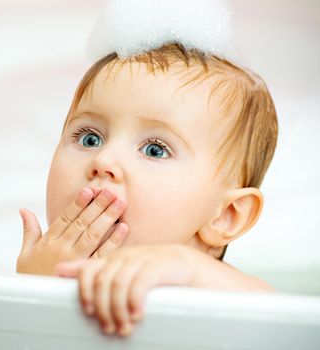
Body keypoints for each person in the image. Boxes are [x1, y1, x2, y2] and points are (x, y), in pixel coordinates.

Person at [16, 0, 278, 337]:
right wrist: (34, 287)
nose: (104, 162)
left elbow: (285, 320)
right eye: (90, 138)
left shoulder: (218, 291)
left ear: (225, 215)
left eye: (155, 150)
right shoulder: (41, 272)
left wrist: (187, 268)